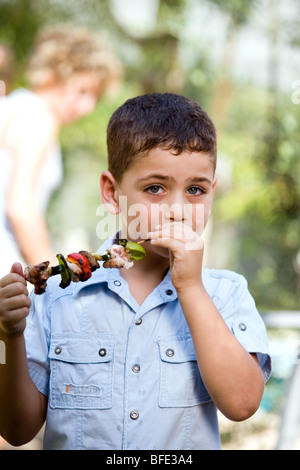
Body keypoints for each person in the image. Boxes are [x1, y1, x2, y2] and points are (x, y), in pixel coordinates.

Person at [0, 93, 271, 450]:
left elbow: (242, 404)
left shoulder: (226, 293)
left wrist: (190, 287)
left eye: (195, 190)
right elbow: (16, 431)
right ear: (112, 193)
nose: (177, 209)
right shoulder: (56, 295)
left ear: (212, 193)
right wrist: (10, 336)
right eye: (155, 188)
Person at [0, 25, 121, 277]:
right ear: (54, 74)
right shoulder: (39, 118)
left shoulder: (15, 105)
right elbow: (21, 208)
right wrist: (55, 275)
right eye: (82, 91)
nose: (87, 106)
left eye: (94, 97)